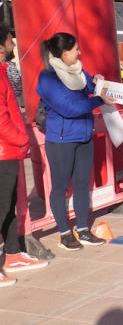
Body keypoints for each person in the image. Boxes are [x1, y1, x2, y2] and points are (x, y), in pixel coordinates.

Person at [36, 32, 114, 251]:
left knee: (81, 184)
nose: (79, 53)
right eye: (75, 49)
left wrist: (96, 80)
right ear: (63, 52)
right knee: (60, 186)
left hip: (84, 136)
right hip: (61, 140)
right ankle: (64, 233)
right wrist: (98, 100)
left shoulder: (78, 71)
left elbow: (89, 86)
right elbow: (69, 108)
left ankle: (83, 229)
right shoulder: (48, 78)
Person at [0, 26, 49, 285]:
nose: (13, 43)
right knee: (1, 207)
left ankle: (13, 254)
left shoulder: (4, 70)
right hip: (4, 150)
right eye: (10, 39)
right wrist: (22, 139)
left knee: (9, 206)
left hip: (9, 150)